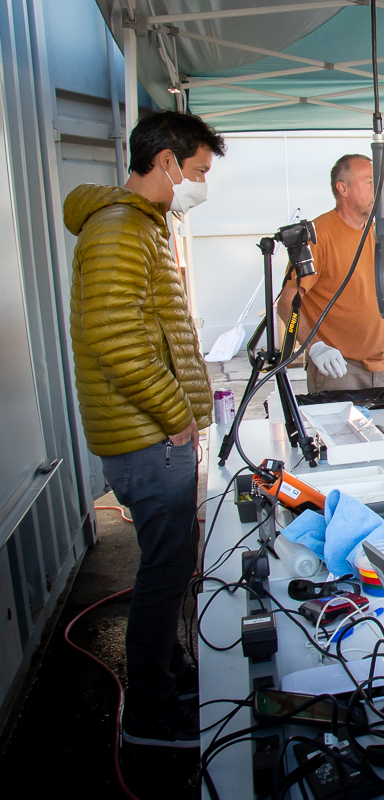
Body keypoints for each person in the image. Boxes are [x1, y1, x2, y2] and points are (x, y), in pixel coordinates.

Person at [64, 110, 224, 747]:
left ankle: (169, 670)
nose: (202, 186)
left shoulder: (142, 226)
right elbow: (116, 338)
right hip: (148, 438)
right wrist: (176, 416)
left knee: (172, 564)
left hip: (152, 435)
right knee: (164, 572)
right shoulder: (119, 230)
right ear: (166, 163)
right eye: (199, 172)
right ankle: (150, 717)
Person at [276, 154, 384, 392]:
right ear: (343, 188)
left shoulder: (381, 237)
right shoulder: (317, 237)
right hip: (337, 368)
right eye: (369, 182)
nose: (378, 189)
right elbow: (286, 303)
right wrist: (314, 346)